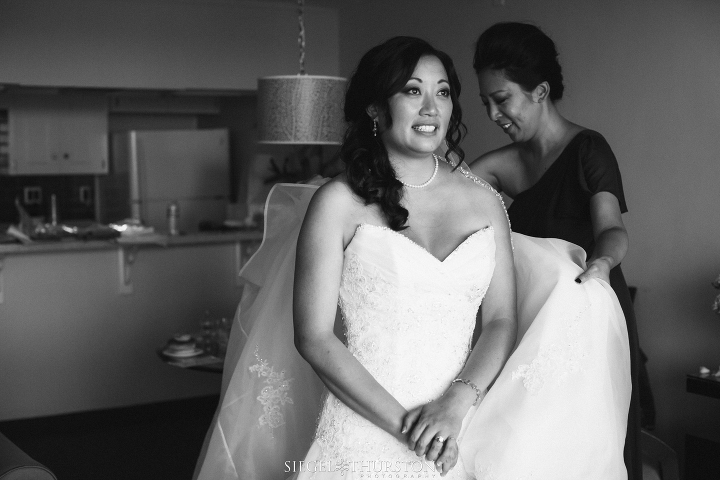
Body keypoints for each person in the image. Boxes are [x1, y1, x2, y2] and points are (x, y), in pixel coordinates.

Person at [194, 35, 630, 480]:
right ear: (375, 108)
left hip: (459, 429)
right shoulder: (338, 202)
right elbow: (314, 338)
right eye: (412, 90)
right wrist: (411, 430)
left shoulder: (484, 201)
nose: (431, 108)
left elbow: (501, 320)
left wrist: (454, 407)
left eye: (442, 92)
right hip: (364, 435)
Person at [470, 21, 642, 480]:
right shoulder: (499, 165)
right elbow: (450, 203)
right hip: (531, 321)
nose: (491, 114)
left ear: (540, 90)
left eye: (501, 99)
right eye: (485, 101)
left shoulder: (588, 149)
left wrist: (603, 264)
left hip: (586, 307)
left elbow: (611, 229)